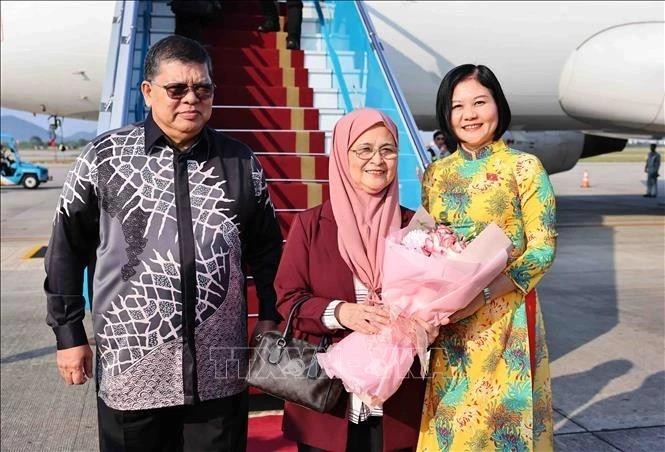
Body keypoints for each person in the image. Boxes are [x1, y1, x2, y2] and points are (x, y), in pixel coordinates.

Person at [44, 35, 283, 451]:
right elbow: (66, 250)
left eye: (202, 88)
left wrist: (269, 314)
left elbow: (267, 250)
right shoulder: (105, 157)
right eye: (177, 89)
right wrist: (69, 334)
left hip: (218, 370)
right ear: (148, 91)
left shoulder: (241, 162)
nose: (191, 98)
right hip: (130, 364)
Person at [274, 108, 440, 452]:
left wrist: (429, 321)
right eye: (363, 149)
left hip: (398, 399)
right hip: (328, 398)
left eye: (388, 149)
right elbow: (288, 298)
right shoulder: (312, 225)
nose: (377, 160)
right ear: (342, 154)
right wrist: (340, 313)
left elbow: (438, 298)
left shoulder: (417, 227)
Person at [417, 64, 556, 451]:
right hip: (451, 324)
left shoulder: (524, 168)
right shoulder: (435, 174)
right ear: (447, 114)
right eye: (458, 106)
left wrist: (480, 295)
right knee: (453, 426)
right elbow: (426, 243)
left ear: (498, 105)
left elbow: (542, 249)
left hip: (505, 320)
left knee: (504, 426)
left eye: (480, 102)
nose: (470, 115)